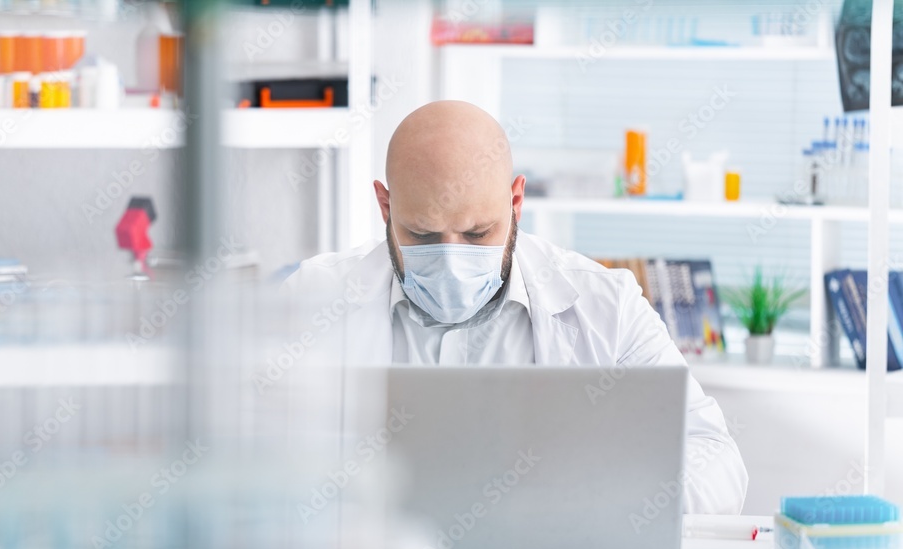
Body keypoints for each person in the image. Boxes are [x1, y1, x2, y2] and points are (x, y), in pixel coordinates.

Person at [282, 100, 748, 514]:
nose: (451, 259)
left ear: (516, 201)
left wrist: (608, 506)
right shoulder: (310, 301)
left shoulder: (608, 307)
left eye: (478, 234)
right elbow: (239, 453)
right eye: (422, 235)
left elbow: (715, 457)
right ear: (385, 207)